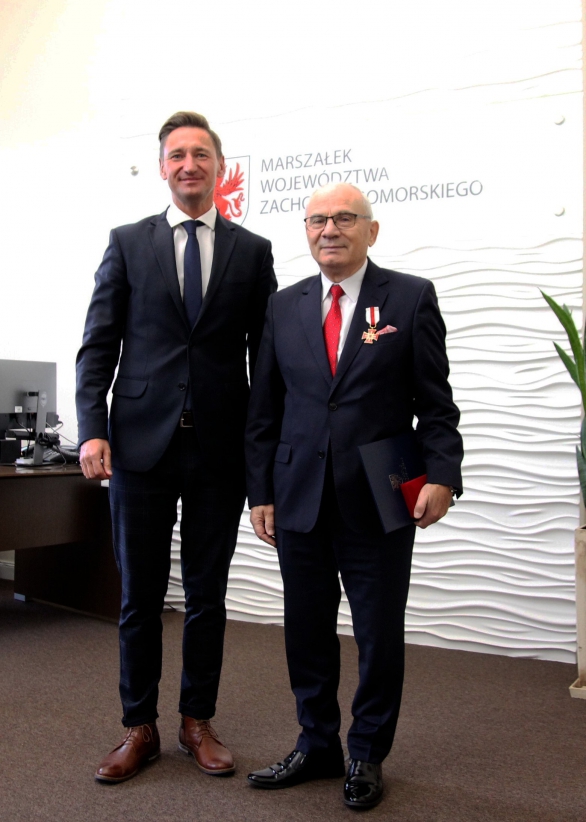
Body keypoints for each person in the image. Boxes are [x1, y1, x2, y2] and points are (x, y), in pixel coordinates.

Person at [245, 183, 463, 810]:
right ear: (306, 231)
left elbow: (436, 405)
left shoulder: (410, 297)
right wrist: (260, 490)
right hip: (298, 496)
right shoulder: (282, 305)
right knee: (306, 630)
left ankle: (366, 750)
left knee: (378, 633)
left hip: (380, 495)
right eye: (317, 220)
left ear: (372, 230)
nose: (329, 230)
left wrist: (442, 475)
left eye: (344, 218)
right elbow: (265, 410)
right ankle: (316, 743)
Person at [76, 111, 277, 783]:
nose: (189, 164)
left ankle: (197, 720)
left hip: (220, 448)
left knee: (207, 595)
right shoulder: (128, 243)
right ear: (163, 167)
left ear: (220, 166)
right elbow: (98, 344)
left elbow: (266, 361)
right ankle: (139, 726)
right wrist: (93, 426)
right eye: (177, 154)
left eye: (201, 154)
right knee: (138, 596)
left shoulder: (253, 252)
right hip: (140, 447)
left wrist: (264, 453)